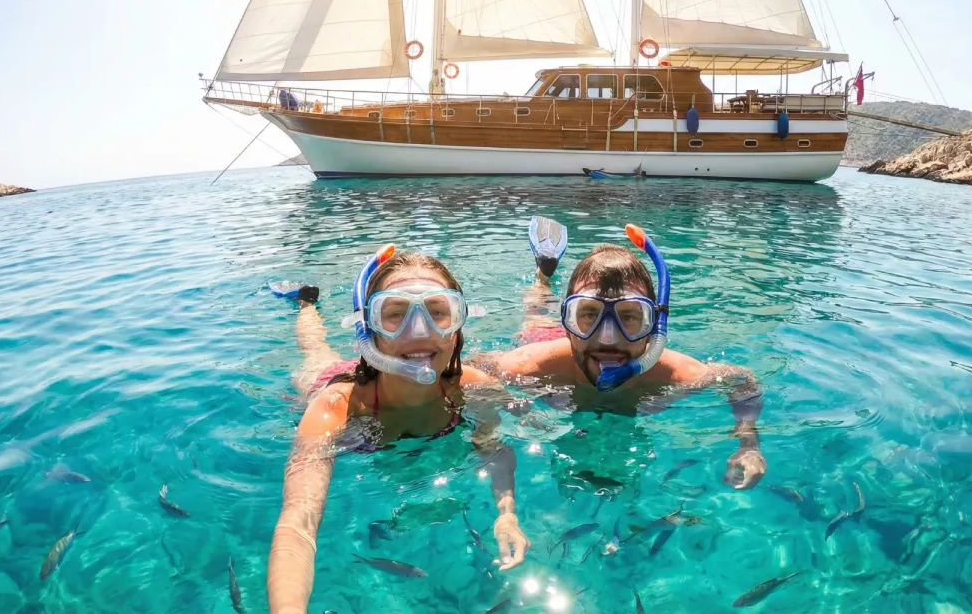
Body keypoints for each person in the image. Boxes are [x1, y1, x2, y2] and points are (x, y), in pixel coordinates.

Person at [267, 246, 529, 614]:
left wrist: (507, 512)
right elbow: (298, 524)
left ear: (456, 329)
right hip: (335, 382)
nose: (419, 331)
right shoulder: (335, 410)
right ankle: (306, 303)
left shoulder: (475, 388)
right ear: (367, 331)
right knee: (315, 355)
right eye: (394, 315)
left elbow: (495, 451)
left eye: (439, 312)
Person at [479, 219, 766, 490]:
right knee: (537, 316)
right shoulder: (530, 365)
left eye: (629, 316)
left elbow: (743, 380)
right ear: (568, 323)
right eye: (587, 313)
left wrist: (748, 441)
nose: (608, 338)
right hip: (547, 341)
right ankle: (543, 277)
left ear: (654, 327)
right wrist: (501, 410)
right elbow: (474, 369)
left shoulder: (680, 374)